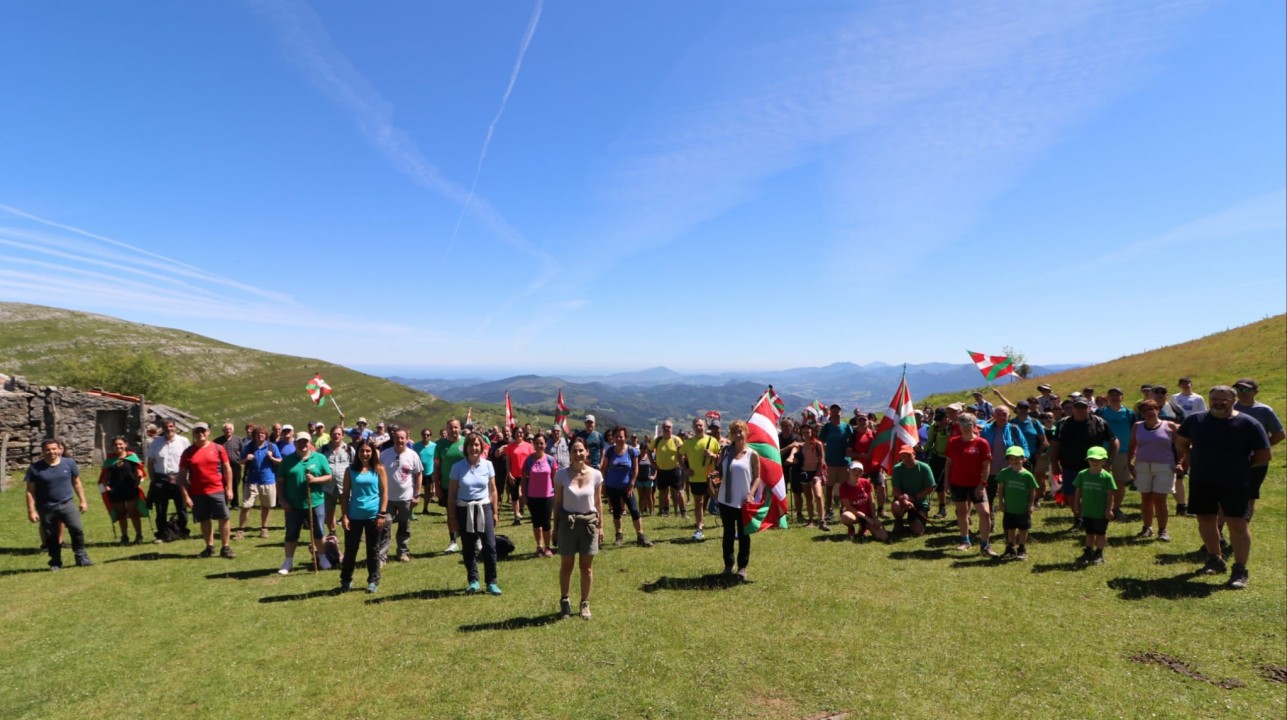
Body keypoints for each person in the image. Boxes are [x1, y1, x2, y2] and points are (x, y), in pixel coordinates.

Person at [1176, 385, 1272, 589]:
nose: (1218, 403)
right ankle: (1215, 560)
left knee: (1237, 524)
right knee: (1205, 519)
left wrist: (1241, 467)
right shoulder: (1195, 421)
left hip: (1235, 482)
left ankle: (1240, 570)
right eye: (1215, 399)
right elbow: (1181, 441)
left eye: (1224, 399)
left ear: (1233, 400)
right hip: (1202, 480)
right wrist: (1191, 455)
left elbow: (1264, 455)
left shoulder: (1248, 423)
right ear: (1209, 400)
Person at [554, 436, 604, 619]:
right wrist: (554, 528)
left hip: (589, 525)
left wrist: (601, 527)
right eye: (574, 450)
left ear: (587, 452)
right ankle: (565, 601)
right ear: (569, 454)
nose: (578, 454)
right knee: (567, 565)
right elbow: (557, 503)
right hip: (568, 524)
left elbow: (598, 503)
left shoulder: (596, 475)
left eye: (581, 450)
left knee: (587, 567)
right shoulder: (561, 475)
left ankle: (584, 603)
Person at [1049, 397, 1117, 530]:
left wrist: (1109, 461)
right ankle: (1078, 520)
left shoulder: (1099, 422)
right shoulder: (1063, 423)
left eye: (1083, 407)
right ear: (1072, 408)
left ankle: (1093, 518)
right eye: (1077, 407)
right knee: (1071, 495)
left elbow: (1114, 441)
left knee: (1093, 494)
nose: (1080, 410)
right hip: (1070, 466)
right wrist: (1054, 463)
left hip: (1093, 467)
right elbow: (1055, 444)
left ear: (1089, 408)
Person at [447, 432, 502, 595]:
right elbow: (451, 495)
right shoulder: (457, 467)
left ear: (482, 447)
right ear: (466, 448)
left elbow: (493, 490)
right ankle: (473, 581)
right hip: (464, 509)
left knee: (490, 545)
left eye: (477, 445)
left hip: (484, 508)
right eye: (471, 445)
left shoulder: (488, 465)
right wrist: (452, 517)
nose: (474, 448)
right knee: (468, 546)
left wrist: (495, 512)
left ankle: (491, 582)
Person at [25, 438, 91, 570]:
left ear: (59, 449)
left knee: (77, 529)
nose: (51, 452)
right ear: (43, 451)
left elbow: (77, 483)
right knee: (51, 536)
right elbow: (30, 491)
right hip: (46, 507)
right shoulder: (34, 468)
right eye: (48, 450)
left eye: (54, 449)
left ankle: (81, 556)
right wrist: (31, 511)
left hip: (67, 504)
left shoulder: (69, 463)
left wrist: (83, 500)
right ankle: (55, 561)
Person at [177, 422, 235, 559]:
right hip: (198, 492)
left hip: (217, 490)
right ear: (193, 434)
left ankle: (226, 547)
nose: (200, 434)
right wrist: (186, 496)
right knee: (204, 520)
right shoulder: (187, 452)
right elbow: (181, 477)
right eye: (197, 431)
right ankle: (209, 547)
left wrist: (229, 488)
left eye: (203, 431)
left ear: (208, 432)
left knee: (224, 518)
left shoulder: (218, 448)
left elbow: (227, 469)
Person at [277, 434, 332, 574]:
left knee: (319, 532)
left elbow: (329, 476)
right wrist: (282, 500)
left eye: (305, 442)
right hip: (293, 504)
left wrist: (315, 480)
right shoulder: (287, 460)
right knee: (291, 533)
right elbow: (280, 482)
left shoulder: (320, 458)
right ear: (295, 443)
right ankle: (288, 562)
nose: (303, 444)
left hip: (315, 502)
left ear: (310, 443)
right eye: (300, 442)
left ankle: (322, 558)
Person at [715, 420, 763, 579]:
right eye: (734, 431)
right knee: (728, 533)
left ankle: (742, 567)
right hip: (725, 500)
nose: (738, 434)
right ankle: (728, 565)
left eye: (740, 430)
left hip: (744, 501)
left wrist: (751, 494)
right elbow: (719, 471)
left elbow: (757, 477)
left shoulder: (752, 454)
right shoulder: (725, 452)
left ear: (746, 432)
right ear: (731, 434)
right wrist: (715, 479)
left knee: (743, 535)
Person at [944, 413, 997, 557]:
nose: (965, 427)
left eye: (968, 424)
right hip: (957, 483)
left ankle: (985, 545)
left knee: (985, 513)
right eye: (962, 424)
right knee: (962, 512)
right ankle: (965, 540)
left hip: (976, 484)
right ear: (959, 426)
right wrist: (946, 482)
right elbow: (948, 463)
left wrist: (982, 484)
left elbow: (986, 465)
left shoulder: (982, 443)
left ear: (974, 426)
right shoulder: (953, 442)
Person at [338, 440, 388, 593]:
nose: (365, 454)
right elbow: (345, 495)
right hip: (354, 515)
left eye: (368, 451)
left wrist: (382, 514)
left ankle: (373, 581)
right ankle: (346, 580)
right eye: (362, 451)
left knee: (373, 550)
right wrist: (344, 516)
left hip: (373, 515)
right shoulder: (350, 470)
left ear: (372, 453)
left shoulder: (379, 469)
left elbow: (384, 493)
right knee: (350, 550)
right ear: (357, 452)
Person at [1231, 377, 1285, 518]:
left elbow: (1279, 435)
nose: (1242, 392)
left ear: (1255, 392)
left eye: (1246, 389)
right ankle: (1219, 529)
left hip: (1256, 461)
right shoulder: (1229, 408)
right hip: (1230, 459)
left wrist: (1261, 449)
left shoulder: (1264, 410)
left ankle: (1244, 527)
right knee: (1226, 494)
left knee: (1249, 496)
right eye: (1238, 388)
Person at [1127, 400, 1179, 541]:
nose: (1148, 412)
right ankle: (1147, 527)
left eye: (1151, 409)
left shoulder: (1169, 426)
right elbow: (1132, 446)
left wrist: (1180, 463)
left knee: (1160, 499)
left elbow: (1180, 446)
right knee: (1146, 498)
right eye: (1144, 410)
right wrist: (1129, 463)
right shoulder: (1137, 426)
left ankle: (1163, 530)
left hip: (1164, 466)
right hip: (1143, 466)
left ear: (1158, 410)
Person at [601, 426, 653, 547]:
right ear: (613, 438)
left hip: (627, 488)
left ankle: (640, 536)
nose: (619, 439)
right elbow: (604, 469)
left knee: (634, 510)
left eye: (621, 436)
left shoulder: (631, 451)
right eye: (617, 436)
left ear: (626, 437)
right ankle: (619, 535)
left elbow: (635, 469)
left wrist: (632, 484)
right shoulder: (610, 451)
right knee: (616, 511)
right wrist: (604, 484)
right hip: (612, 486)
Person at [378, 428, 423, 564]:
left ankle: (402, 552)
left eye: (402, 438)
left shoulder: (413, 455)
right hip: (387, 498)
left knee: (404, 526)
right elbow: (378, 474)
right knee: (385, 525)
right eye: (397, 438)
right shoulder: (385, 454)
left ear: (407, 439)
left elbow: (418, 474)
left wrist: (417, 494)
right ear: (393, 439)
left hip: (406, 497)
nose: (400, 440)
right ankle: (382, 556)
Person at [1095, 388, 1137, 521]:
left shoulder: (1129, 413)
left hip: (1123, 451)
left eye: (1117, 395)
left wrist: (1133, 450)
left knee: (1120, 481)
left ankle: (1116, 509)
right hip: (1102, 451)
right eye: (1111, 395)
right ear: (1107, 397)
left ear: (1122, 397)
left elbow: (1134, 431)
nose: (1114, 397)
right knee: (1101, 480)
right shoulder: (1100, 412)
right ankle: (1101, 508)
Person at [146, 419, 191, 541]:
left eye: (171, 426)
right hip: (161, 478)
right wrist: (153, 480)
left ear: (175, 427)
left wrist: (187, 478)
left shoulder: (183, 441)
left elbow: (189, 460)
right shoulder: (155, 443)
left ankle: (183, 531)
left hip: (178, 477)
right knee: (160, 509)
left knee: (181, 507)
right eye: (166, 427)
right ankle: (162, 534)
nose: (169, 429)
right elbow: (150, 463)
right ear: (162, 428)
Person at [680, 417, 721, 539]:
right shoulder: (689, 442)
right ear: (693, 427)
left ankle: (728, 527)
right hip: (696, 478)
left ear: (705, 426)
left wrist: (712, 455)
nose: (699, 427)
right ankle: (699, 528)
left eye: (700, 425)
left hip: (712, 478)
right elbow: (678, 455)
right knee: (699, 504)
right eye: (696, 425)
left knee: (721, 502)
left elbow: (721, 457)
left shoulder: (712, 441)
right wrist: (685, 469)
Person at [236, 425, 280, 540]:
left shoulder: (272, 446)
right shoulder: (249, 447)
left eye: (263, 433)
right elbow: (240, 461)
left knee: (266, 506)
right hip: (252, 481)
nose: (260, 435)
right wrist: (246, 459)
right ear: (254, 435)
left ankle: (264, 529)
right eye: (258, 433)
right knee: (246, 506)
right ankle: (240, 530)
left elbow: (280, 460)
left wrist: (272, 458)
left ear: (266, 435)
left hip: (268, 480)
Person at [1073, 447, 1116, 565]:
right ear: (1087, 460)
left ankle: (1099, 552)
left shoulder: (1107, 477)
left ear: (1104, 461)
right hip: (1087, 510)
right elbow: (1078, 491)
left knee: (1100, 533)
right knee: (1089, 532)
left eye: (1098, 460)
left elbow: (1110, 494)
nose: (1095, 462)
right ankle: (1089, 551)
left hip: (1100, 511)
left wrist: (1109, 509)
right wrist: (1076, 505)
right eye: (1092, 459)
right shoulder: (1082, 474)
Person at [979, 406, 1029, 506]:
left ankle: (1011, 515)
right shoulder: (986, 429)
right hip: (990, 470)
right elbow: (980, 447)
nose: (1001, 417)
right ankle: (989, 516)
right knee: (989, 498)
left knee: (1010, 497)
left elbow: (1024, 446)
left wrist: (1024, 458)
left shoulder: (1014, 429)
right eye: (998, 414)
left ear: (1009, 416)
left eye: (1004, 414)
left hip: (1010, 470)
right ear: (993, 416)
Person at [995, 446, 1038, 560]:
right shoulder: (1005, 473)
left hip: (1023, 508)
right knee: (1010, 528)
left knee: (1023, 529)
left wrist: (1031, 504)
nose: (1015, 461)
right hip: (1009, 507)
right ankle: (1010, 548)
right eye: (1011, 458)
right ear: (1008, 460)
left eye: (1017, 458)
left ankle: (1022, 549)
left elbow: (1032, 490)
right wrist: (1001, 502)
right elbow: (1001, 488)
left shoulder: (1027, 475)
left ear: (1023, 459)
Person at [100, 436, 146, 544]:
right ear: (113, 447)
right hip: (116, 491)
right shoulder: (109, 460)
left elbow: (139, 471)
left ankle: (139, 535)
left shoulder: (132, 457)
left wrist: (138, 480)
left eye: (120, 444)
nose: (118, 446)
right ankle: (124, 537)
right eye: (115, 445)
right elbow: (105, 476)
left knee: (133, 513)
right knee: (121, 515)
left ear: (125, 445)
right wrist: (106, 487)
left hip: (130, 489)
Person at [817, 404, 854, 528]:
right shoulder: (827, 427)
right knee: (829, 487)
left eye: (837, 412)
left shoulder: (846, 427)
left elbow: (852, 439)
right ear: (830, 413)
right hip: (830, 462)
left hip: (844, 462)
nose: (835, 414)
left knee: (844, 487)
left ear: (840, 413)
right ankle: (829, 510)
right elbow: (820, 441)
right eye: (833, 412)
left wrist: (849, 448)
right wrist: (823, 455)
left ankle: (844, 508)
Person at [433, 418, 467, 553]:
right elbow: (437, 467)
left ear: (460, 428)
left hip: (465, 486)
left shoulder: (466, 442)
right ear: (446, 429)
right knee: (451, 513)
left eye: (456, 427)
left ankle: (472, 540)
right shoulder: (440, 445)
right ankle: (453, 541)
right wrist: (437, 486)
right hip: (447, 486)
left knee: (467, 513)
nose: (453, 430)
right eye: (450, 427)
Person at [522, 433, 558, 557]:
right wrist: (523, 495)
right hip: (532, 496)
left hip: (548, 496)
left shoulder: (550, 460)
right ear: (533, 444)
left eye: (541, 443)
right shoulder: (529, 460)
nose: (539, 445)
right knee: (536, 523)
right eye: (537, 443)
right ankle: (539, 546)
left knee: (546, 523)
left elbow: (555, 479)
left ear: (546, 444)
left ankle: (547, 547)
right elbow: (524, 479)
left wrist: (557, 493)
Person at [888, 445, 935, 537]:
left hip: (920, 502)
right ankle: (899, 521)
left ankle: (913, 521)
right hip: (903, 500)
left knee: (917, 531)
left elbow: (930, 487)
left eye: (909, 455)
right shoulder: (897, 468)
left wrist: (913, 498)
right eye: (903, 456)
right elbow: (895, 490)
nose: (906, 459)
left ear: (914, 454)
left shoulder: (924, 467)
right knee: (896, 505)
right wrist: (904, 500)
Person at [848, 414, 888, 518]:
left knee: (881, 486)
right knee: (862, 490)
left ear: (867, 421)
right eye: (860, 420)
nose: (862, 422)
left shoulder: (874, 434)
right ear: (857, 422)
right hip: (860, 468)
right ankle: (864, 509)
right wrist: (861, 455)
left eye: (864, 420)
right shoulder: (853, 436)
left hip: (875, 466)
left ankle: (881, 509)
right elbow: (848, 453)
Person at [837, 461, 888, 543]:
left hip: (868, 515)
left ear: (862, 472)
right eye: (854, 470)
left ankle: (863, 527)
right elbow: (848, 506)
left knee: (883, 537)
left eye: (859, 471)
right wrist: (865, 517)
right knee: (845, 517)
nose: (857, 472)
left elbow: (871, 502)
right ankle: (851, 528)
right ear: (849, 470)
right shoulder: (843, 486)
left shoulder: (866, 482)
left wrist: (874, 518)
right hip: (855, 514)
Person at [322, 425, 353, 535]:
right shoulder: (323, 449)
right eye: (334, 434)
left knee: (348, 511)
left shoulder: (349, 449)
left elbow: (355, 465)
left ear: (343, 436)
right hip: (328, 486)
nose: (336, 436)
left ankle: (352, 531)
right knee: (329, 511)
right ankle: (332, 533)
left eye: (339, 434)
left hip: (345, 486)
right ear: (330, 435)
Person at [651, 422, 686, 518]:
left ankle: (683, 512)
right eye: (665, 427)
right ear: (662, 428)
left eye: (669, 427)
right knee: (664, 492)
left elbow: (683, 451)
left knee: (679, 491)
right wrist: (653, 464)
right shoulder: (657, 440)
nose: (667, 428)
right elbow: (649, 450)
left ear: (672, 428)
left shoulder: (676, 439)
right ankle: (666, 511)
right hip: (662, 471)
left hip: (674, 470)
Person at [926, 408, 953, 517]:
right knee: (938, 484)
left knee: (954, 483)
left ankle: (960, 510)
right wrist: (922, 449)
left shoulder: (953, 426)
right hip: (937, 457)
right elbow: (929, 442)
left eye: (942, 418)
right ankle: (942, 508)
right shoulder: (935, 426)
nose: (940, 421)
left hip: (952, 459)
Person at [504, 430, 534, 525]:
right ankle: (516, 516)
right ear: (514, 434)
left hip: (526, 475)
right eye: (517, 432)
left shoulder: (529, 446)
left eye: (521, 432)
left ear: (524, 434)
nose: (519, 434)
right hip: (514, 475)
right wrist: (509, 474)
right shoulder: (510, 446)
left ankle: (533, 514)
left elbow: (533, 460)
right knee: (515, 496)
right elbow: (508, 462)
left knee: (529, 495)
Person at [213, 423, 244, 507]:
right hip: (222, 466)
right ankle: (223, 502)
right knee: (222, 484)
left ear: (233, 430)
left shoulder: (238, 440)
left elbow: (242, 451)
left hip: (235, 466)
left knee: (235, 484)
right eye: (226, 429)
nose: (228, 430)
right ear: (223, 430)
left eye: (230, 429)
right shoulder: (217, 441)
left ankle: (235, 504)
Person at [413, 428, 437, 516]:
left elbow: (436, 458)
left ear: (430, 436)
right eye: (424, 435)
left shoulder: (434, 446)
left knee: (427, 491)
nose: (426, 436)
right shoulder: (416, 446)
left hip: (429, 472)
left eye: (428, 435)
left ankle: (425, 508)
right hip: (417, 472)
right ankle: (411, 510)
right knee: (414, 491)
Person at [636, 435, 655, 515]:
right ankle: (640, 511)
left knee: (649, 496)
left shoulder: (650, 457)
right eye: (642, 449)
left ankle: (651, 511)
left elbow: (655, 467)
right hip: (639, 480)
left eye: (644, 449)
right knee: (641, 497)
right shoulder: (637, 458)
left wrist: (654, 476)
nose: (643, 450)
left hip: (648, 479)